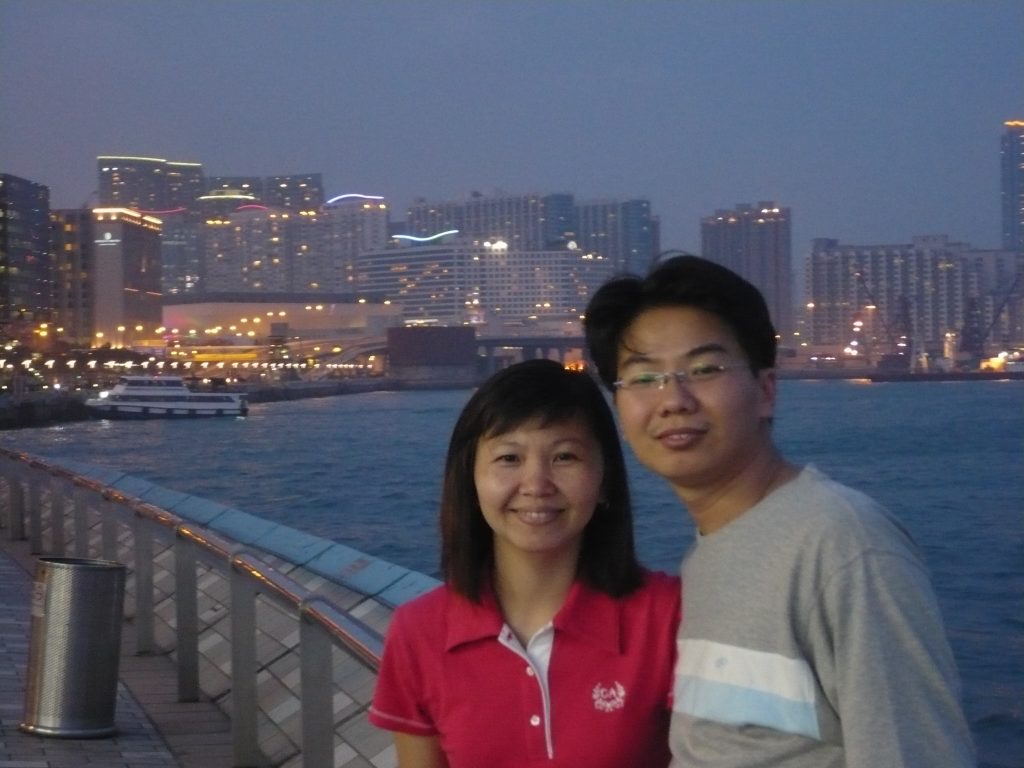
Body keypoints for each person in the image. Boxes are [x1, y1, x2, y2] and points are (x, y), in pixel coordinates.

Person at [583, 255, 975, 768]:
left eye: (704, 370)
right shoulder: (709, 556)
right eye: (643, 378)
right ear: (619, 409)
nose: (673, 399)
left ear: (766, 390)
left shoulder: (841, 544)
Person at [369, 358, 680, 767]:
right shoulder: (418, 632)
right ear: (470, 479)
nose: (536, 485)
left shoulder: (668, 616)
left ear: (605, 478)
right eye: (509, 459)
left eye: (564, 457)